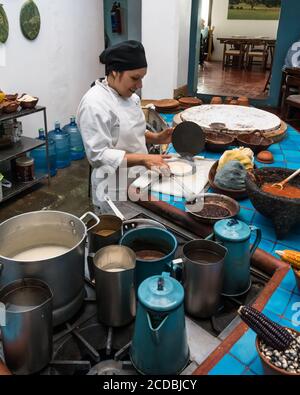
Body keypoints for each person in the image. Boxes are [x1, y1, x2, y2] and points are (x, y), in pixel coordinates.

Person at [77, 40, 173, 213]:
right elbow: (98, 155)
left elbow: (131, 132)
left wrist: (157, 138)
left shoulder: (131, 97)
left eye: (142, 78)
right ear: (114, 72)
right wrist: (144, 159)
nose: (139, 85)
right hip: (113, 189)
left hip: (139, 180)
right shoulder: (94, 104)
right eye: (135, 78)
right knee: (120, 235)